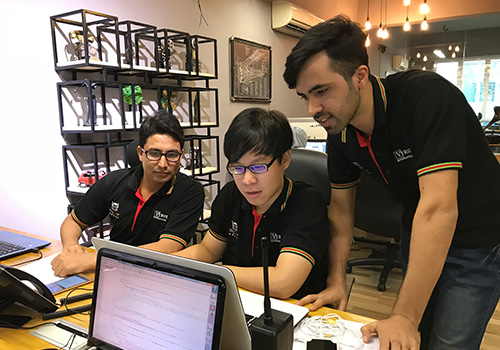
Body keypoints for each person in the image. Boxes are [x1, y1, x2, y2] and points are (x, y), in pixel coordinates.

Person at [283, 14, 500, 350]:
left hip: (478, 240)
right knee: (414, 339)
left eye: (321, 91)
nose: (313, 108)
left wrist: (403, 317)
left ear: (359, 76)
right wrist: (337, 279)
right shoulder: (340, 135)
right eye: (304, 97)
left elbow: (440, 209)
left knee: (447, 343)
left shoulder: (425, 99)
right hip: (417, 230)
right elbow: (341, 213)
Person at [175, 107, 329, 299]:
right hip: (239, 302)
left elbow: (283, 283)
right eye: (237, 168)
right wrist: (166, 263)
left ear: (285, 159)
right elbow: (207, 250)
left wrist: (220, 273)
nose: (247, 180)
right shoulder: (231, 195)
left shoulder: (307, 204)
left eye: (258, 166)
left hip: (292, 311)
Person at [51, 111, 205, 277]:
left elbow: (167, 246)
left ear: (180, 155)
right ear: (140, 153)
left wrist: (94, 259)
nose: (163, 163)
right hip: (112, 271)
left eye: (172, 155)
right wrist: (70, 248)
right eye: (154, 153)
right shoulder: (115, 181)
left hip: (155, 273)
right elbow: (73, 221)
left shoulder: (190, 191)